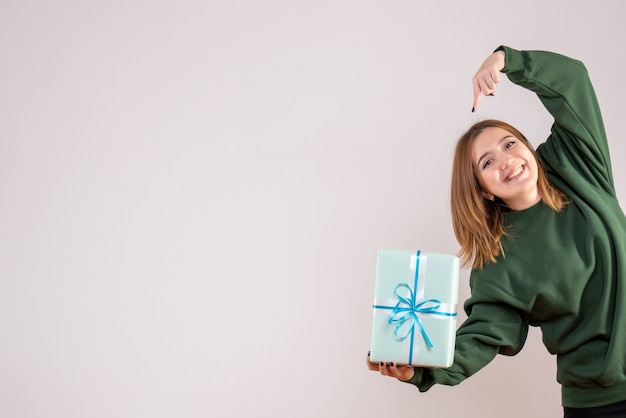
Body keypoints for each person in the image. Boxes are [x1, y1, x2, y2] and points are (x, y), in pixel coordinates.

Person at [366, 45, 626, 417]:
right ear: (484, 189)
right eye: (488, 162)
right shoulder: (499, 260)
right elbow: (483, 337)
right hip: (601, 403)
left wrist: (506, 60)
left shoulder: (577, 167)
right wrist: (418, 368)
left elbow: (573, 83)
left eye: (510, 144)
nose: (507, 161)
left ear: (528, 149)